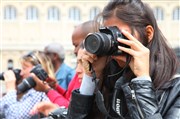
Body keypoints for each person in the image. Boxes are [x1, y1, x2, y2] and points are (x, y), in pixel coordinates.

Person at [64, 0, 180, 119]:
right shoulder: (110, 78)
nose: (115, 42)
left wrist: (142, 80)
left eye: (121, 35)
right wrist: (90, 79)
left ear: (148, 33)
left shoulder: (175, 88)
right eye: (110, 34)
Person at [29, 20, 99, 116]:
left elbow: (71, 108)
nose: (75, 50)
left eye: (76, 45)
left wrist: (47, 90)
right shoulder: (80, 72)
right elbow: (69, 97)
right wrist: (55, 87)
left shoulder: (88, 74)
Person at [0, 51, 55, 119]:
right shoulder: (28, 90)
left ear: (37, 70)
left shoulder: (39, 92)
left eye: (24, 68)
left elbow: (14, 116)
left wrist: (10, 89)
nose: (21, 73)